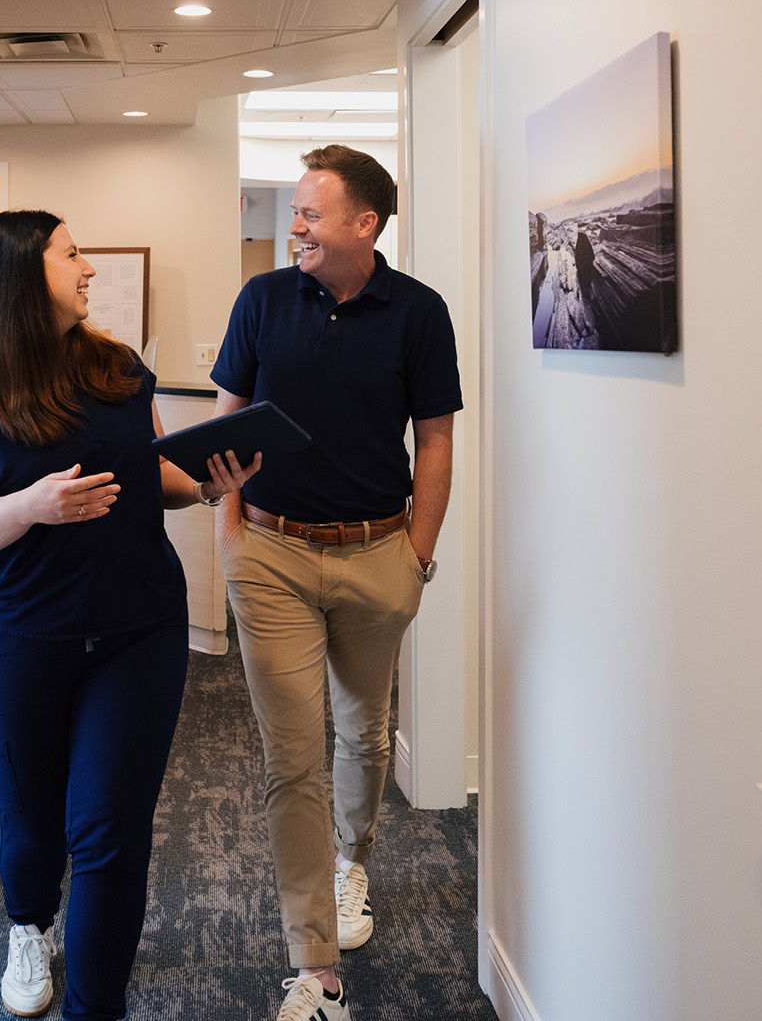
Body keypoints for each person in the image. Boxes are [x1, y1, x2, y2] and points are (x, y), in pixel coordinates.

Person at [0, 210, 256, 1021]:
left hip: (137, 631)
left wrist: (215, 479)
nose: (89, 269)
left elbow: (155, 475)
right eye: (71, 255)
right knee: (32, 823)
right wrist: (31, 505)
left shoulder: (119, 368)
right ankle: (29, 925)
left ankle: (95, 1008)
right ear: (21, 275)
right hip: (18, 637)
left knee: (110, 832)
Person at [209, 146, 463, 1021]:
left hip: (376, 553)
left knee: (364, 734)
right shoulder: (263, 300)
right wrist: (230, 533)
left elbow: (434, 439)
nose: (295, 226)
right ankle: (313, 968)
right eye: (297, 213)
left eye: (312, 214)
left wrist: (417, 558)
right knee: (294, 757)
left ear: (367, 224)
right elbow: (225, 424)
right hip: (271, 555)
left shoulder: (420, 313)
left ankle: (354, 863)